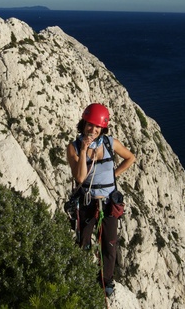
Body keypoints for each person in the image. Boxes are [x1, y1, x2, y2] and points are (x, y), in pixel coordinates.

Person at [66, 103, 136, 296]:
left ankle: (106, 281)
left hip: (108, 202)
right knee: (83, 242)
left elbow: (130, 158)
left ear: (102, 128)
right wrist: (83, 150)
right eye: (90, 125)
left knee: (109, 243)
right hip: (87, 202)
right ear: (84, 124)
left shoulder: (110, 143)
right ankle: (80, 277)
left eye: (98, 127)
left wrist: (114, 175)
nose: (93, 130)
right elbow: (80, 178)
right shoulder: (72, 147)